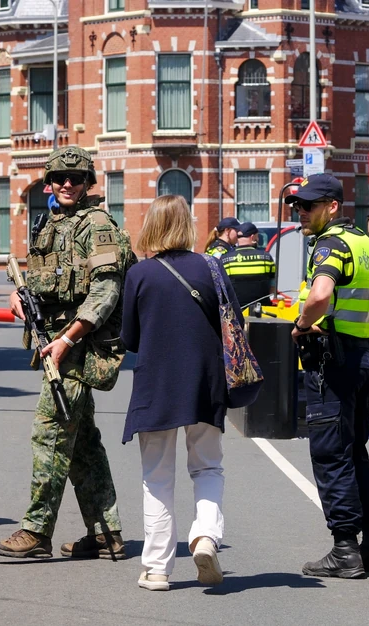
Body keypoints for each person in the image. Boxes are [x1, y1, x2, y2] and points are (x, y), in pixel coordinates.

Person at [0, 146, 134, 560]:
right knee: (83, 442)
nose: (68, 184)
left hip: (78, 348)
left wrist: (68, 339)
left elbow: (107, 290)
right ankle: (107, 533)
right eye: (60, 177)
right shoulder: (49, 223)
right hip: (54, 343)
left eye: (77, 177)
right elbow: (43, 279)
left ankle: (36, 531)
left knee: (50, 435)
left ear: (89, 183)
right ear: (49, 182)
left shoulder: (98, 225)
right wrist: (21, 295)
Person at [285, 174, 369, 579]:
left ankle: (345, 549)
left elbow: (319, 296)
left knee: (332, 454)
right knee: (355, 452)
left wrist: (301, 324)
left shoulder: (330, 244)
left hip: (333, 363)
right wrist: (367, 331)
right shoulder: (365, 243)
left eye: (309, 206)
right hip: (363, 359)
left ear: (332, 206)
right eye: (298, 206)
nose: (301, 212)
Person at [121, 195, 235, 591]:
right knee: (207, 467)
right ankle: (205, 535)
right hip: (205, 382)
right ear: (188, 225)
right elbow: (232, 325)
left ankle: (156, 569)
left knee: (157, 478)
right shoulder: (212, 267)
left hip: (156, 385)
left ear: (151, 225)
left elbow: (130, 338)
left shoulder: (139, 275)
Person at [220, 221, 276, 308]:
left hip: (236, 310)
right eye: (258, 237)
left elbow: (222, 288)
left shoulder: (225, 259)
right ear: (253, 237)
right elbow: (272, 287)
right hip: (261, 310)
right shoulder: (266, 258)